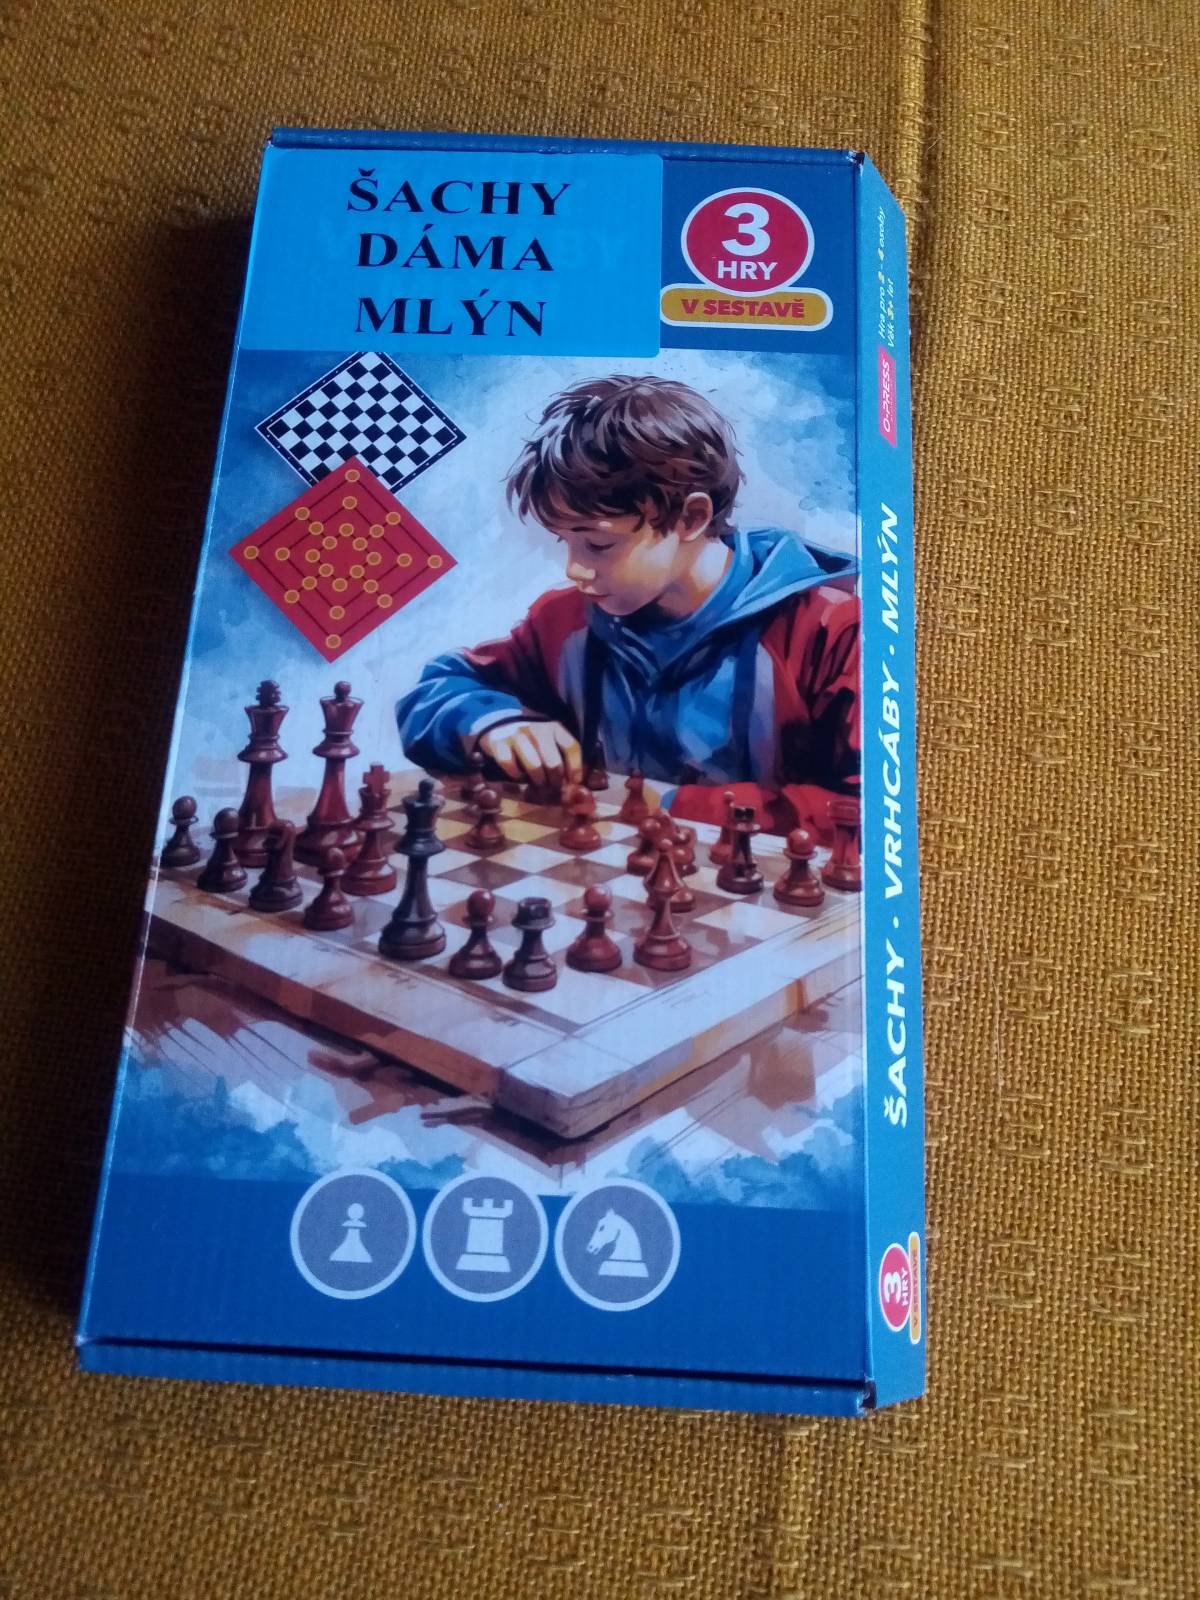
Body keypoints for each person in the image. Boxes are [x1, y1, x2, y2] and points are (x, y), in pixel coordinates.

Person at [396, 374, 860, 839]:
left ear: (692, 518)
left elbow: (864, 810)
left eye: (598, 544)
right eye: (565, 541)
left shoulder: (831, 631)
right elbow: (436, 690)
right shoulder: (565, 622)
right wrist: (493, 723)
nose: (575, 570)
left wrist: (666, 806)